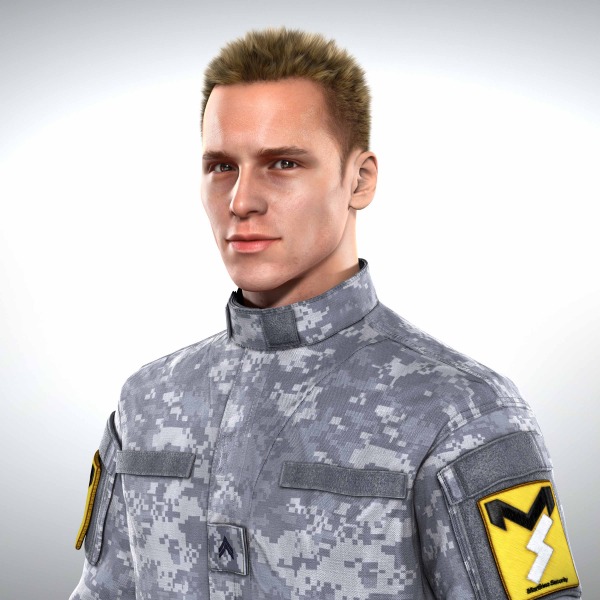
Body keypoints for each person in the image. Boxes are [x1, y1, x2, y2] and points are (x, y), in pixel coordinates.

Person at [70, 28, 582, 600]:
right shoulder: (146, 402)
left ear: (359, 180)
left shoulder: (460, 415)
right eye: (221, 166)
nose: (241, 201)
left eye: (283, 163)